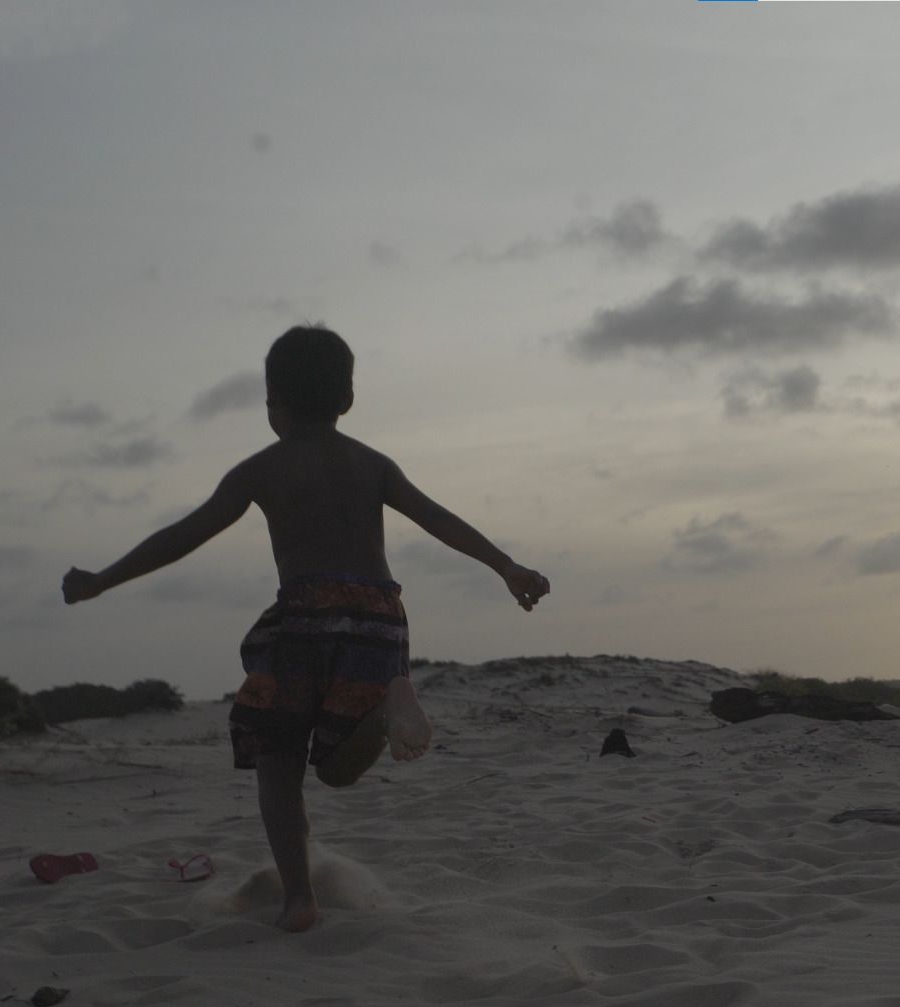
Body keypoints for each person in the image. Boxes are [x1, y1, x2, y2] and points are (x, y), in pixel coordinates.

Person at [62, 324, 549, 931]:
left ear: (274, 404)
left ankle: (300, 897)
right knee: (341, 767)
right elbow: (437, 518)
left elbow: (183, 536)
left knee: (280, 758)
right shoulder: (374, 464)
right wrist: (506, 566)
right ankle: (383, 707)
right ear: (347, 401)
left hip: (305, 617)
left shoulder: (261, 469)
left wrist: (104, 579)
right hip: (378, 619)